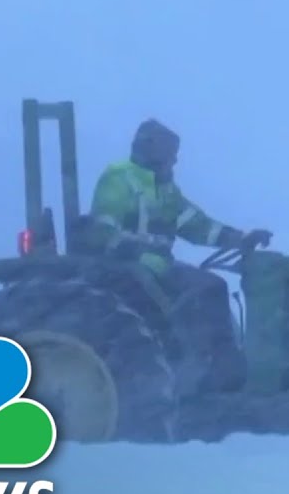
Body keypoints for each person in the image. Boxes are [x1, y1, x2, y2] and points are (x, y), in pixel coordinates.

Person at [87, 118, 271, 392]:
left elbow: (196, 224)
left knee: (208, 287)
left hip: (157, 265)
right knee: (209, 287)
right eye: (169, 152)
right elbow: (103, 229)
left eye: (174, 153)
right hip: (129, 267)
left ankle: (216, 363)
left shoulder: (166, 189)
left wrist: (239, 238)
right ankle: (218, 370)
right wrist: (135, 248)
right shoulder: (119, 178)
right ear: (149, 148)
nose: (174, 159)